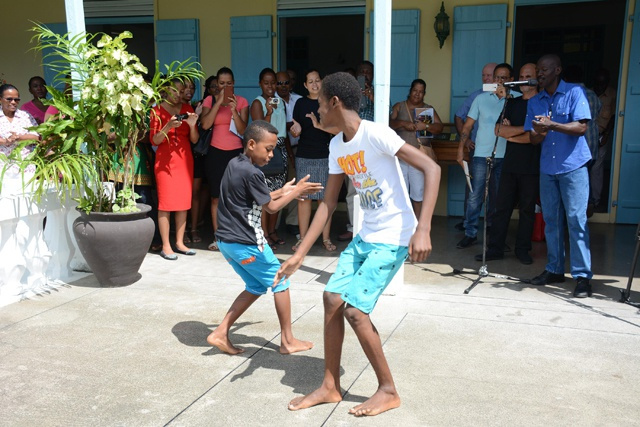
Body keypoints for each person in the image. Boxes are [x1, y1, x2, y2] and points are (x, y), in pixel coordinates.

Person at [275, 72, 440, 417]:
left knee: (354, 310)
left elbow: (430, 167)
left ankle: (388, 390)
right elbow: (327, 203)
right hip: (367, 237)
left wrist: (423, 228)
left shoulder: (376, 134)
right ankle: (330, 386)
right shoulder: (336, 145)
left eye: (320, 104)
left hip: (394, 236)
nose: (316, 111)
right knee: (331, 297)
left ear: (334, 102)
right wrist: (300, 253)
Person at [206, 120, 322, 355]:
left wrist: (285, 190)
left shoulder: (235, 164)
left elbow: (256, 197)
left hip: (226, 242)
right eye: (268, 149)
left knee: (256, 285)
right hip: (247, 242)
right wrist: (297, 192)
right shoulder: (253, 172)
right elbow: (270, 208)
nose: (271, 155)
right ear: (251, 144)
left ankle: (220, 333)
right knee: (281, 281)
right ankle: (287, 341)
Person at [525, 54, 593, 298]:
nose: (539, 73)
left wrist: (552, 124)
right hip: (548, 169)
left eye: (544, 69)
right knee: (551, 221)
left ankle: (582, 276)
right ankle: (554, 269)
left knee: (576, 220)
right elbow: (533, 139)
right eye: (537, 70)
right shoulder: (535, 101)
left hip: (573, 167)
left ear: (557, 70)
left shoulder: (574, 92)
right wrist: (539, 131)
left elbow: (581, 127)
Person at [474, 63, 540, 264]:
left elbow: (535, 137)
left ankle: (522, 249)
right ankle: (495, 249)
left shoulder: (541, 103)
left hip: (531, 165)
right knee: (501, 208)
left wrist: (514, 133)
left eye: (528, 76)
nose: (523, 79)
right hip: (510, 163)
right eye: (521, 75)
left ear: (536, 78)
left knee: (527, 210)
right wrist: (523, 131)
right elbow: (499, 131)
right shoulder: (512, 103)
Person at [456, 63, 515, 249]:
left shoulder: (517, 99)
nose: (499, 81)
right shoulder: (480, 99)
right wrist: (460, 149)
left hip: (506, 156)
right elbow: (467, 126)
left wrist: (507, 98)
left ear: (511, 80)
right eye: (497, 77)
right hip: (481, 155)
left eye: (504, 78)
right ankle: (470, 233)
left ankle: (496, 236)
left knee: (499, 199)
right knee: (475, 195)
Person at [200, 67, 249, 251]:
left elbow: (244, 130)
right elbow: (205, 124)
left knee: (237, 197)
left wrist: (234, 110)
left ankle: (236, 236)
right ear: (216, 84)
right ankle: (218, 237)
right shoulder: (209, 100)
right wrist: (218, 102)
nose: (225, 86)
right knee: (216, 198)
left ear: (234, 83)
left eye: (229, 83)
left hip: (236, 154)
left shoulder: (242, 101)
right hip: (215, 154)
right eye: (222, 83)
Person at [149, 79, 199, 260]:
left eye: (181, 90)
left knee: (183, 202)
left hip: (184, 159)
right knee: (166, 203)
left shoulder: (188, 109)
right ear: (166, 91)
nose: (179, 94)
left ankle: (179, 242)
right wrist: (168, 126)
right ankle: (166, 245)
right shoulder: (156, 111)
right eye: (176, 90)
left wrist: (192, 125)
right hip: (165, 161)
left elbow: (194, 140)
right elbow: (154, 140)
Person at [289, 69, 336, 252]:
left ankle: (326, 238)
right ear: (305, 85)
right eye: (310, 81)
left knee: (325, 199)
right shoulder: (300, 103)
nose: (314, 84)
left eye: (317, 80)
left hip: (324, 156)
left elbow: (335, 128)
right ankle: (303, 239)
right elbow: (295, 128)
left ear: (322, 81)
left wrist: (319, 125)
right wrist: (296, 129)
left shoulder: (329, 101)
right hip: (304, 155)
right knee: (304, 198)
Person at [250, 68, 293, 250]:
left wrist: (290, 154)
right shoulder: (257, 103)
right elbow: (260, 131)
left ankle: (273, 230)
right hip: (266, 151)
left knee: (279, 191)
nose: (270, 86)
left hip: (281, 149)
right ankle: (264, 233)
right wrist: (268, 112)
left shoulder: (281, 103)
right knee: (266, 195)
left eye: (273, 83)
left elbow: (284, 130)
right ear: (260, 83)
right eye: (266, 83)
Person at [390, 78, 444, 217]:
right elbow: (389, 123)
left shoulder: (427, 109)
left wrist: (425, 126)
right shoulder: (399, 106)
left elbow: (439, 128)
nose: (417, 94)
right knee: (399, 193)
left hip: (418, 158)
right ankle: (400, 225)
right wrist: (403, 123)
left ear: (424, 94)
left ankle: (417, 226)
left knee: (418, 194)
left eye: (421, 92)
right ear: (410, 91)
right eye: (415, 90)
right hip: (400, 158)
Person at [453, 63, 497, 231]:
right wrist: (467, 139)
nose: (486, 79)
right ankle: (468, 224)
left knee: (494, 191)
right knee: (473, 190)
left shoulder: (507, 97)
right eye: (484, 75)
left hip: (499, 151)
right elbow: (459, 116)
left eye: (490, 76)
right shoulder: (476, 96)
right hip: (477, 150)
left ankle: (492, 226)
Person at [277, 70, 303, 239]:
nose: (283, 86)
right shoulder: (272, 102)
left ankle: (292, 222)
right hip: (278, 150)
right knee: (278, 186)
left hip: (297, 148)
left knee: (294, 185)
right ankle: (273, 224)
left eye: (286, 83)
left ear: (291, 84)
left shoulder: (299, 100)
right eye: (279, 83)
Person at [589, 68, 616, 216]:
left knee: (597, 169)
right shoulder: (588, 93)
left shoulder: (612, 94)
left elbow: (613, 116)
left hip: (601, 135)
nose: (600, 87)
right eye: (597, 83)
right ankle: (586, 202)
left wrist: (606, 134)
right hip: (586, 136)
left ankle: (596, 201)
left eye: (603, 84)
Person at [0, 84, 39, 178]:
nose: (13, 102)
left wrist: (19, 137)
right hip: (3, 167)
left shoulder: (25, 116)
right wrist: (5, 141)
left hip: (25, 167)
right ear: (0, 99)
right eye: (9, 99)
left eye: (16, 99)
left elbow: (36, 137)